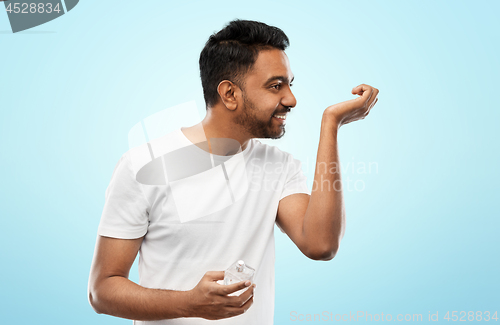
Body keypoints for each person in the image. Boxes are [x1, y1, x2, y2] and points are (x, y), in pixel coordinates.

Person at [88, 19, 379, 324]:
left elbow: (321, 245)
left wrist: (331, 125)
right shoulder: (142, 166)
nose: (291, 99)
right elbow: (102, 290)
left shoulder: (279, 167)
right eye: (275, 86)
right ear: (229, 94)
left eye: (290, 84)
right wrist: (189, 304)